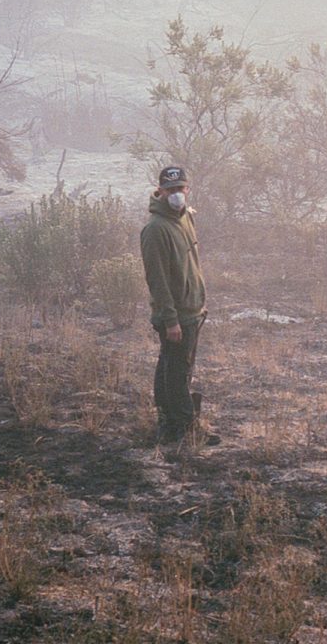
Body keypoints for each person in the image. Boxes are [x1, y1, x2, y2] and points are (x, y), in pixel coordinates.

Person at [140, 166, 219, 445]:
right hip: (175, 315)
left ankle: (169, 423)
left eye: (180, 189)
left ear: (188, 189)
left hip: (192, 310)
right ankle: (184, 428)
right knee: (177, 372)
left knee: (171, 367)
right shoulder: (155, 229)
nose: (176, 195)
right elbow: (157, 280)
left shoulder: (186, 218)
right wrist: (170, 319)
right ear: (160, 191)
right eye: (170, 190)